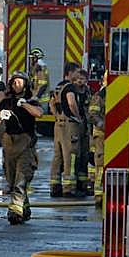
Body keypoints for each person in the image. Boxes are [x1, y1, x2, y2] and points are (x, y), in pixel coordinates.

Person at [0, 72, 43, 225]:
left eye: (20, 82)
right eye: (14, 82)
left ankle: (15, 212)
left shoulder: (32, 101)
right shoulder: (5, 102)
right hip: (9, 143)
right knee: (11, 181)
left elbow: (39, 113)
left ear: (26, 84)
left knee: (21, 180)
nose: (17, 84)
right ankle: (25, 209)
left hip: (25, 144)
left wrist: (24, 104)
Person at [49, 62, 82, 198]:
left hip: (59, 124)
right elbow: (71, 102)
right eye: (77, 72)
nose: (78, 75)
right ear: (71, 72)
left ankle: (55, 186)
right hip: (70, 125)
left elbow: (51, 103)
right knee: (71, 156)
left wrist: (57, 115)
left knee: (58, 156)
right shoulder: (69, 87)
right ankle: (69, 188)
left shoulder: (59, 86)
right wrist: (78, 117)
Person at [72, 69, 92, 197]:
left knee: (85, 155)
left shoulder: (87, 91)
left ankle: (82, 184)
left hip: (85, 125)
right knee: (75, 154)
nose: (81, 81)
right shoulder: (72, 90)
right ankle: (74, 186)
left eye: (83, 79)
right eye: (79, 79)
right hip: (76, 124)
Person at [87, 76, 106, 207]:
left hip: (114, 135)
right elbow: (92, 115)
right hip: (101, 136)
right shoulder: (99, 96)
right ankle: (99, 195)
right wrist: (103, 125)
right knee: (100, 165)